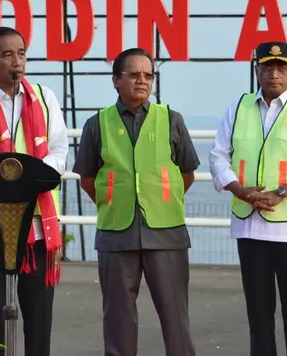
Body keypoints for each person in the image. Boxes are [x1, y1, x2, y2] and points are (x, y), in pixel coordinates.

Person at [208, 41, 287, 356]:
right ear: (257, 70)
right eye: (267, 66)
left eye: (281, 67)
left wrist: (282, 191)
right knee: (258, 315)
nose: (274, 74)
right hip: (249, 228)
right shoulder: (238, 107)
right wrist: (238, 188)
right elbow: (217, 156)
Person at [72, 47, 200, 356]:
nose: (142, 81)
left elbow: (186, 174)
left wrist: (159, 200)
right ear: (116, 80)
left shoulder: (171, 120)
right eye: (134, 75)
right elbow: (87, 179)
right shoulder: (96, 124)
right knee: (117, 321)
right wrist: (115, 201)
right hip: (117, 235)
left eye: (148, 75)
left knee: (176, 321)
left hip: (166, 234)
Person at [0, 26, 69, 356]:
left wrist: (28, 179)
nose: (16, 61)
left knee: (38, 315)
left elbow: (59, 150)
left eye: (21, 53)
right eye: (7, 55)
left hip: (36, 224)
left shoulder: (45, 98)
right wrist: (9, 182)